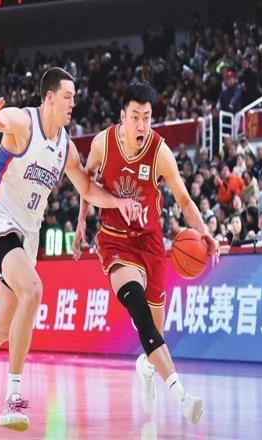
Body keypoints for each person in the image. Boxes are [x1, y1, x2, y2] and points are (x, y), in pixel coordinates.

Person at [0, 67, 140, 431]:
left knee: (3, 324)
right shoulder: (23, 122)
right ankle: (14, 397)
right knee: (34, 290)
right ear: (50, 97)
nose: (73, 103)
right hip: (0, 220)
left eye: (75, 97)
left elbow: (86, 188)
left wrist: (118, 202)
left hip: (29, 234)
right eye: (68, 97)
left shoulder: (65, 148)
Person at [73, 81, 218, 424]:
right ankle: (183, 397)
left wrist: (205, 233)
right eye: (135, 116)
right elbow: (86, 183)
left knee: (155, 334)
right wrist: (81, 224)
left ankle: (147, 368)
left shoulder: (160, 152)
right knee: (138, 309)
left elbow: (184, 199)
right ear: (122, 116)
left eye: (147, 117)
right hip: (114, 240)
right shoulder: (103, 143)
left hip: (149, 242)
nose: (141, 124)